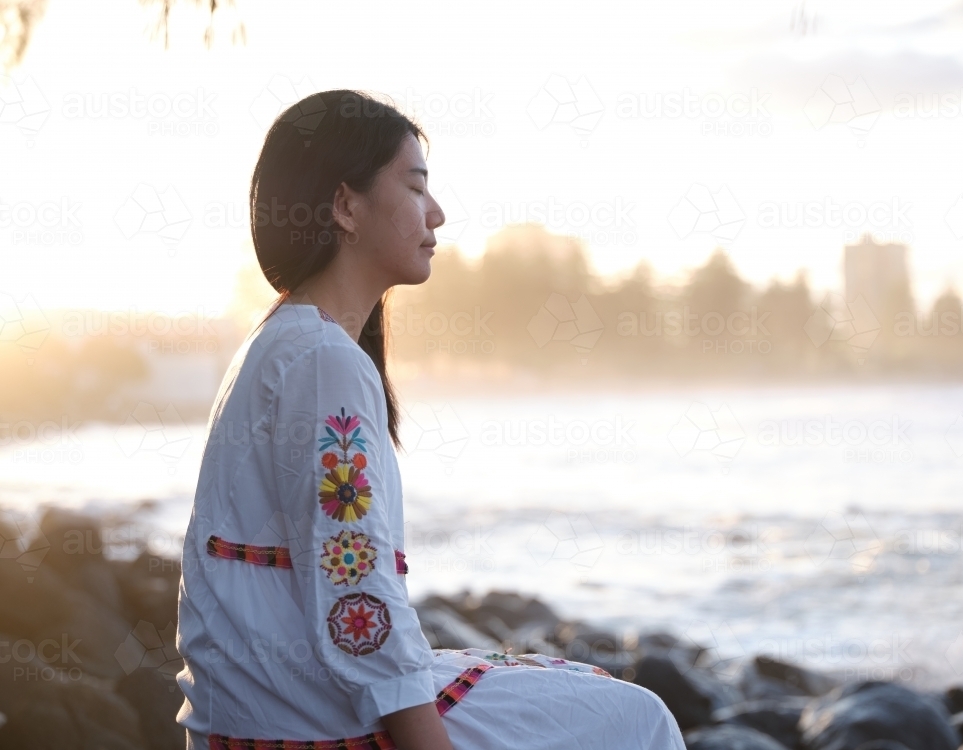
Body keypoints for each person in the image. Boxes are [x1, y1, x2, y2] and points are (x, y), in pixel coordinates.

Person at [175, 89, 685, 750]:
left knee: (579, 680)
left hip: (261, 712)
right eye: (415, 187)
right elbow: (354, 588)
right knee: (639, 722)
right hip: (294, 726)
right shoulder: (324, 361)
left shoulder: (284, 342)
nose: (437, 214)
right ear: (345, 206)